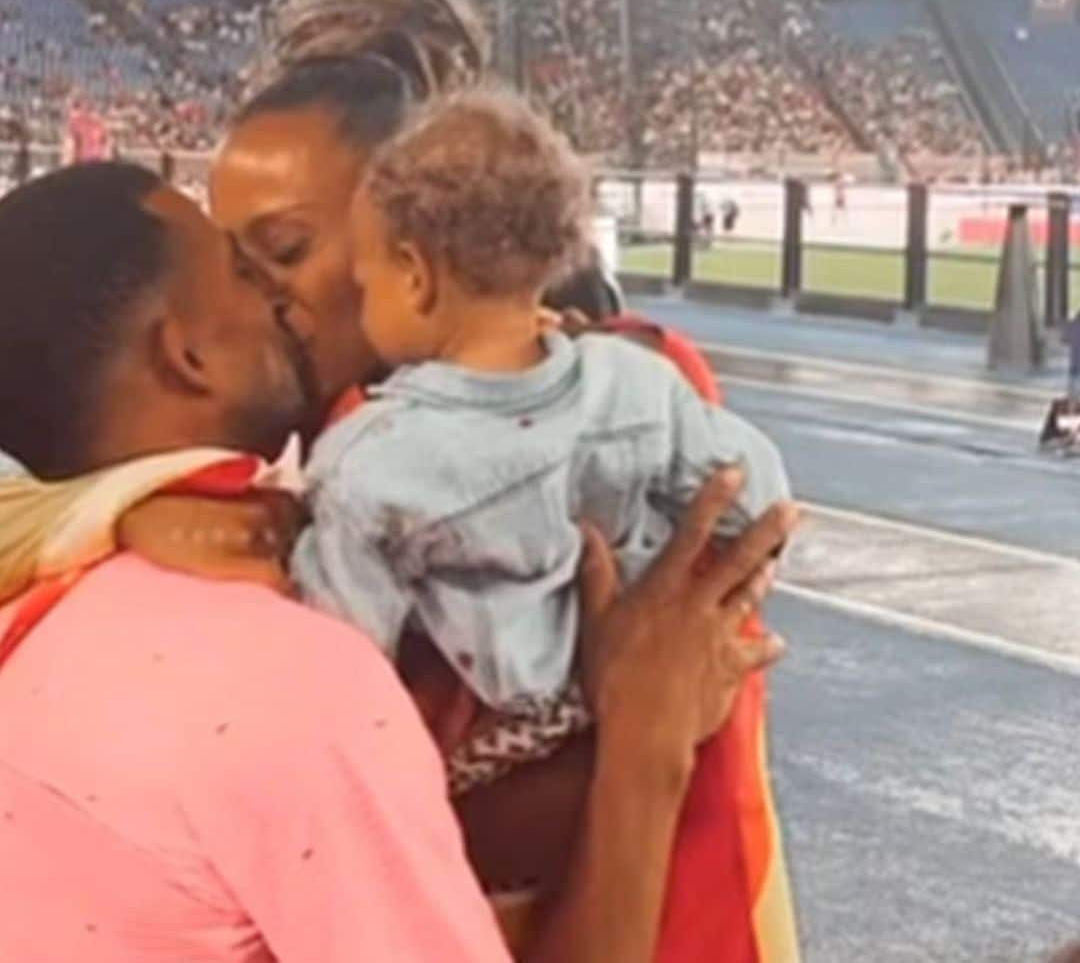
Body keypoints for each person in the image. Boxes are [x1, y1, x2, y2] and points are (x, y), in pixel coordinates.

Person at [136, 0, 800, 958]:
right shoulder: (329, 430)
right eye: (238, 263)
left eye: (286, 248)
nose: (260, 296)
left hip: (666, 908)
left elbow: (600, 748)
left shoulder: (612, 385)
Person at [0, 162, 795, 962]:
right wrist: (646, 745)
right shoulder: (289, 679)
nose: (285, 296)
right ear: (189, 355)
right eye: (249, 268)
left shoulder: (45, 591)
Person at [292, 87, 789, 796]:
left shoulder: (369, 462)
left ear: (415, 275)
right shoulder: (634, 382)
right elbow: (756, 499)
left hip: (489, 767)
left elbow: (343, 678)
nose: (362, 300)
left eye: (366, 283)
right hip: (633, 723)